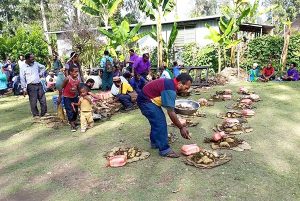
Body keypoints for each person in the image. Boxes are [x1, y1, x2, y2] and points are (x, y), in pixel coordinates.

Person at [137, 73, 192, 158]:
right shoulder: (170, 89)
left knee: (156, 121)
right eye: (186, 88)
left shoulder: (171, 83)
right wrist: (181, 127)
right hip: (146, 101)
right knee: (160, 123)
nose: (186, 91)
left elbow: (170, 106)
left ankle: (155, 143)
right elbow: (170, 112)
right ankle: (164, 150)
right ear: (180, 83)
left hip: (148, 99)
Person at [20, 53, 48, 119]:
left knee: (43, 99)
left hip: (39, 84)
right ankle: (36, 115)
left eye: (33, 58)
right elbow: (22, 78)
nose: (33, 59)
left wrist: (40, 73)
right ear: (27, 59)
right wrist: (24, 89)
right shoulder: (23, 67)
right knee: (33, 101)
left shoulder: (36, 64)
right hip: (31, 86)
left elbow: (43, 67)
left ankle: (44, 113)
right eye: (32, 58)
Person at [58, 67, 80, 132]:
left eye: (77, 71)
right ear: (70, 72)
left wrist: (80, 95)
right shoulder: (67, 79)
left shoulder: (77, 79)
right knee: (69, 110)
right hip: (67, 97)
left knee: (75, 109)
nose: (77, 73)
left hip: (74, 96)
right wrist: (60, 97)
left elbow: (78, 87)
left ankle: (75, 120)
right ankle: (72, 123)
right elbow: (61, 88)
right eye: (75, 72)